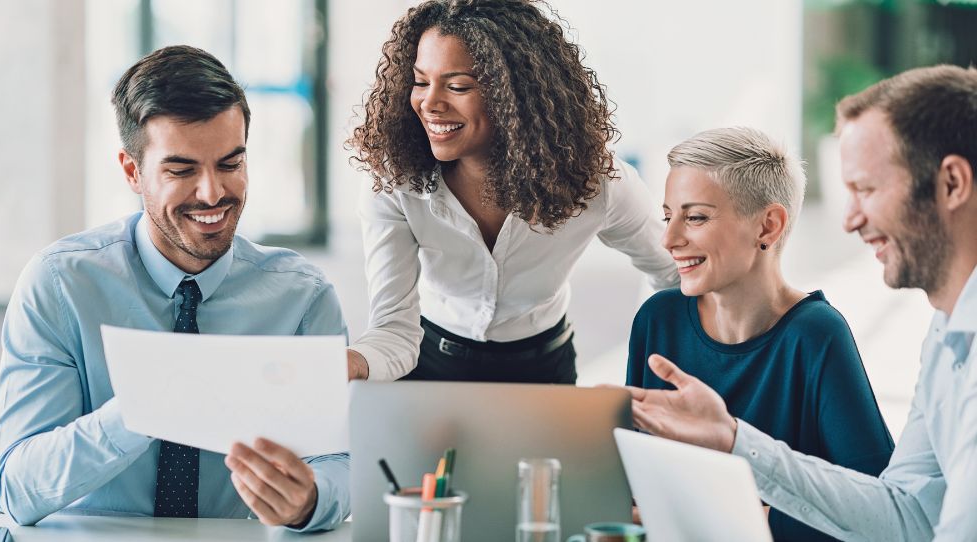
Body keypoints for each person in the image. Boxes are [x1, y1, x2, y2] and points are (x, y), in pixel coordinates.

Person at [0, 45, 350, 531]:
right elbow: (16, 488)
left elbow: (340, 461)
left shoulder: (302, 298)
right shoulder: (59, 284)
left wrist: (310, 500)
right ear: (131, 171)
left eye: (230, 163)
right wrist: (145, 407)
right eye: (181, 170)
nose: (212, 193)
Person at [628, 64, 977, 541]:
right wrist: (734, 439)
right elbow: (904, 518)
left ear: (953, 184)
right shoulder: (946, 337)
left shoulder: (819, 331)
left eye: (866, 189)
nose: (850, 220)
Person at [345, 0, 678, 382]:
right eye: (420, 82)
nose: (430, 103)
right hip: (429, 359)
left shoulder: (596, 182)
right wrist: (350, 363)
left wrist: (650, 361)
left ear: (514, 95)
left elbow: (672, 273)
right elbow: (394, 333)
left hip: (542, 366)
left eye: (457, 86)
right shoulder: (394, 182)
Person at [625, 127, 893, 541]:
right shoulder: (657, 320)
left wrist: (732, 520)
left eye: (694, 217)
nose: (669, 239)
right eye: (668, 216)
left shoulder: (817, 335)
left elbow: (879, 512)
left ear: (767, 227)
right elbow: (633, 480)